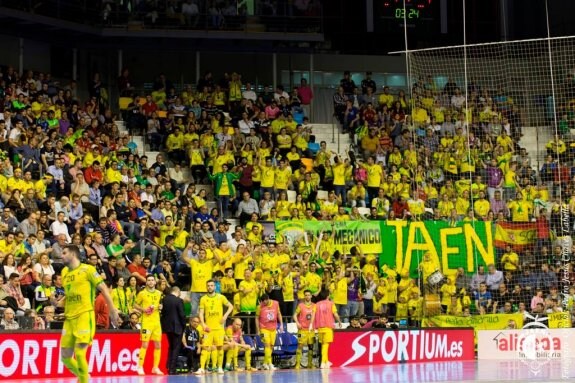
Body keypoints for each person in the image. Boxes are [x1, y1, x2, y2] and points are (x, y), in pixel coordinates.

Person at [60, 244, 120, 383]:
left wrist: (112, 310)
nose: (61, 255)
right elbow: (70, 292)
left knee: (80, 353)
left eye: (64, 253)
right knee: (65, 357)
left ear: (73, 254)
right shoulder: (64, 272)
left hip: (84, 315)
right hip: (69, 318)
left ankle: (84, 380)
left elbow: (104, 289)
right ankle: (85, 377)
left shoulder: (88, 269)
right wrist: (59, 302)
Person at [196, 279, 233, 375]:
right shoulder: (203, 298)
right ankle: (201, 368)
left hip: (219, 328)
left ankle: (219, 367)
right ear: (206, 287)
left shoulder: (221, 297)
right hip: (208, 328)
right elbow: (201, 313)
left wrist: (225, 316)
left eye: (211, 285)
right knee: (205, 348)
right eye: (208, 285)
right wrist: (203, 324)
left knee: (219, 347)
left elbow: (231, 306)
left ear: (215, 286)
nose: (210, 287)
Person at [134, 275, 164, 376]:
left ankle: (155, 367)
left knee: (158, 345)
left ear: (155, 282)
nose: (151, 282)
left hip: (156, 322)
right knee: (145, 344)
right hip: (146, 322)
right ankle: (140, 366)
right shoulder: (142, 293)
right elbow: (135, 305)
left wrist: (160, 306)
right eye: (149, 280)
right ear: (146, 282)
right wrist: (143, 310)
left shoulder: (159, 293)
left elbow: (160, 305)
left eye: (152, 280)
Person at [161, 286, 186, 375]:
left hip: (167, 327)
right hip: (177, 327)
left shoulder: (165, 299)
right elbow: (182, 315)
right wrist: (184, 325)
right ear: (178, 292)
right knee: (176, 348)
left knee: (171, 347)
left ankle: (168, 366)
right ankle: (172, 369)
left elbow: (163, 313)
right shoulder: (179, 301)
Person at [313, 289, 342, 369]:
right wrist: (339, 321)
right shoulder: (331, 304)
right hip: (328, 327)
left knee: (323, 345)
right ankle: (323, 362)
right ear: (328, 295)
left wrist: (312, 325)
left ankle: (326, 361)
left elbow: (313, 315)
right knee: (325, 345)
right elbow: (335, 314)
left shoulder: (316, 304)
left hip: (320, 328)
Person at [255, 293, 283, 371]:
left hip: (273, 328)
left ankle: (265, 363)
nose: (263, 303)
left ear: (268, 299)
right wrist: (257, 329)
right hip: (263, 329)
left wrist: (281, 325)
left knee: (271, 346)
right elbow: (256, 318)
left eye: (265, 302)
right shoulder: (259, 307)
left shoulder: (276, 303)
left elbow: (279, 314)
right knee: (267, 345)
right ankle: (270, 364)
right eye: (262, 302)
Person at [293, 289, 316, 369]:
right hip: (302, 330)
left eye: (308, 295)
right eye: (306, 295)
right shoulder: (300, 305)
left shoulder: (314, 305)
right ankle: (298, 364)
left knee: (311, 346)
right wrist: (297, 323)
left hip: (311, 330)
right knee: (300, 346)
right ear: (304, 296)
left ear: (311, 296)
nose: (307, 296)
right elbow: (295, 315)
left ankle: (310, 364)